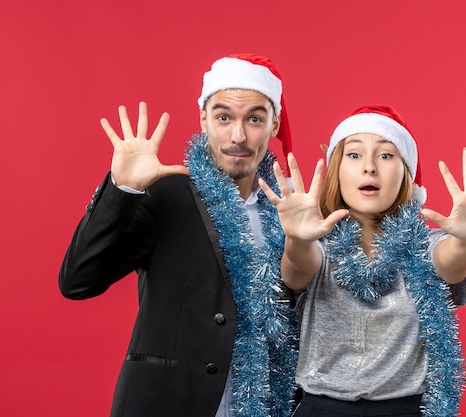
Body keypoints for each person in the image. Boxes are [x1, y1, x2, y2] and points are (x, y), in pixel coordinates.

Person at [59, 54, 299, 417]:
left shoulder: (291, 209)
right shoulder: (165, 194)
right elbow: (78, 281)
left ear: (274, 123)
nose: (238, 136)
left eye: (254, 118)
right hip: (169, 402)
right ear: (203, 119)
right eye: (223, 117)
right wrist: (122, 190)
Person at [260, 105, 466, 417]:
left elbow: (453, 258)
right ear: (337, 170)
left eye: (386, 155)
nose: (370, 167)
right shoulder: (316, 245)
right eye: (354, 155)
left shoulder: (424, 247)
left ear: (407, 174)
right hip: (321, 409)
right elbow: (297, 268)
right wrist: (296, 238)